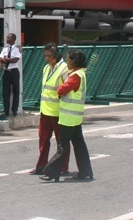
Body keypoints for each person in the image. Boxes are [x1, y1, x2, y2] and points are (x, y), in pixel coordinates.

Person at [40, 49, 93, 182]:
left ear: (75, 62)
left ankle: (51, 171)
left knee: (62, 146)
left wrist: (61, 88)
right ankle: (86, 171)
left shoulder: (75, 76)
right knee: (79, 144)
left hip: (68, 117)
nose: (67, 62)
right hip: (76, 117)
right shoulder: (80, 73)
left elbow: (61, 89)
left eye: (69, 59)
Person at [30, 42, 70, 175]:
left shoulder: (64, 69)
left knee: (61, 142)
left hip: (58, 111)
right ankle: (41, 166)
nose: (47, 58)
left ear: (56, 55)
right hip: (45, 110)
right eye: (45, 56)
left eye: (50, 56)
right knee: (43, 140)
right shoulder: (46, 68)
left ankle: (63, 167)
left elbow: (67, 89)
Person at [0, 33, 21, 117]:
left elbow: (15, 60)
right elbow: (0, 59)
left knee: (16, 91)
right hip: (6, 71)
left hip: (14, 71)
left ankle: (14, 110)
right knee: (5, 92)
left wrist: (6, 59)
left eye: (8, 37)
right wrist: (7, 60)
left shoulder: (17, 49)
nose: (6, 39)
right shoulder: (5, 49)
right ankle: (6, 111)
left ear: (13, 39)